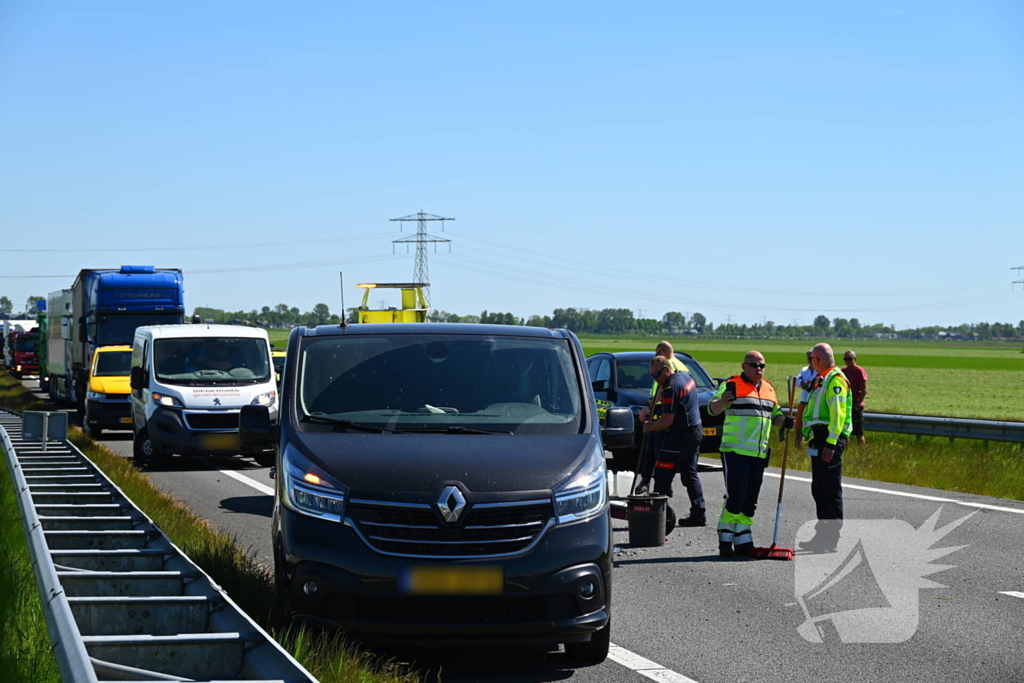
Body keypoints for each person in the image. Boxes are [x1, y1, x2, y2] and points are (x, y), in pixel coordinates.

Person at [707, 351, 791, 558]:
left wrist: (785, 422)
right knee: (735, 496)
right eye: (754, 365)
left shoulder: (769, 388)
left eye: (762, 365)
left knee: (751, 498)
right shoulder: (731, 385)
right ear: (744, 366)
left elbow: (776, 414)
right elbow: (712, 410)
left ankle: (743, 538)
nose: (758, 369)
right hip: (734, 450)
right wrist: (723, 401)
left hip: (759, 452)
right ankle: (725, 537)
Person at [639, 355, 706, 527]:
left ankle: (658, 518)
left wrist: (649, 426)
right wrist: (652, 402)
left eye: (657, 375)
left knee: (661, 472)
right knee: (690, 473)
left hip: (680, 436)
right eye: (652, 376)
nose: (655, 379)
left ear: (667, 370)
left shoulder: (671, 388)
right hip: (695, 431)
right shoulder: (684, 376)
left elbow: (666, 421)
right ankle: (699, 513)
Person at [799, 343, 852, 553]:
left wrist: (831, 443)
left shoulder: (835, 379)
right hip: (819, 439)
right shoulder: (822, 379)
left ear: (817, 360)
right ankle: (821, 535)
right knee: (819, 489)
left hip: (829, 439)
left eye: (811, 359)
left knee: (829, 489)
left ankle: (831, 538)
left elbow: (838, 414)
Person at [636, 341, 691, 493]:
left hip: (664, 410)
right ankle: (655, 482)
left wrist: (649, 406)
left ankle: (660, 484)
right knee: (655, 450)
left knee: (656, 451)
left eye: (657, 353)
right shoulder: (682, 365)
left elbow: (662, 390)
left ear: (662, 351)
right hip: (668, 410)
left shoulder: (669, 366)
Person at [841, 350, 868, 446]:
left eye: (850, 359)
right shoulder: (843, 371)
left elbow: (864, 390)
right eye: (845, 359)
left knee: (859, 432)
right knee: (845, 431)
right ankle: (845, 450)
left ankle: (862, 451)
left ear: (854, 359)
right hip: (846, 404)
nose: (848, 361)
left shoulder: (859, 371)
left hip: (856, 405)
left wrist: (857, 404)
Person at [794, 348, 817, 447]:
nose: (809, 359)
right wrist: (804, 383)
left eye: (811, 357)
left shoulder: (819, 370)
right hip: (803, 402)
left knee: (812, 427)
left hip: (813, 403)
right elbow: (797, 381)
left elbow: (816, 384)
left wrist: (807, 384)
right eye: (808, 357)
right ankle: (798, 445)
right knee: (799, 425)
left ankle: (812, 447)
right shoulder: (804, 370)